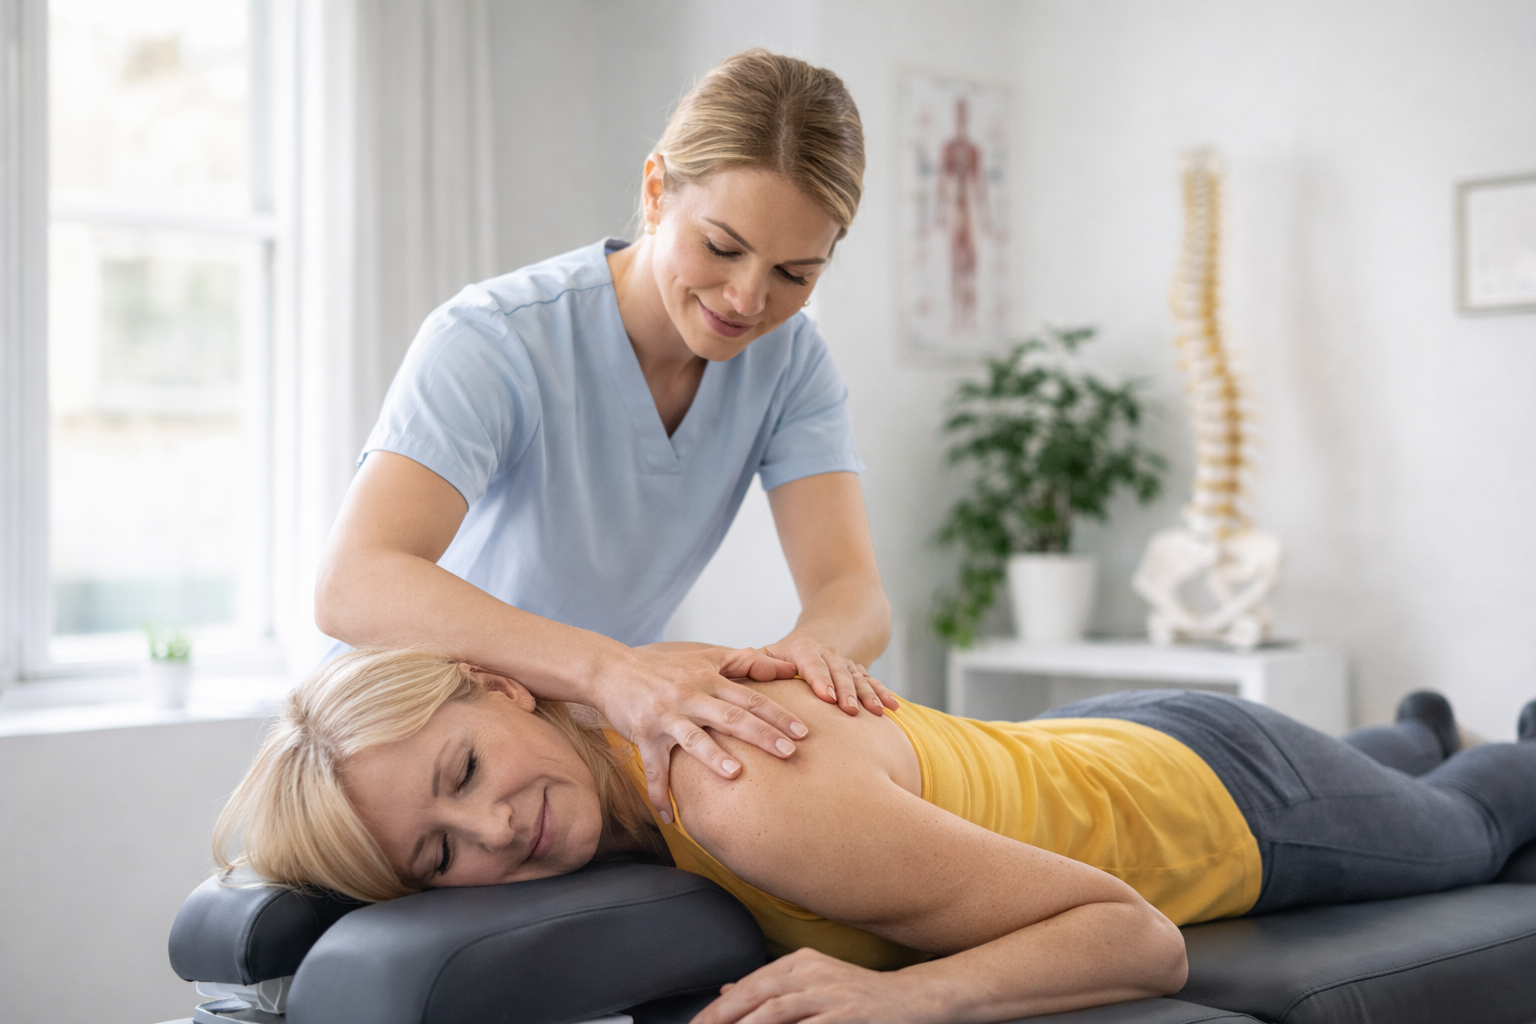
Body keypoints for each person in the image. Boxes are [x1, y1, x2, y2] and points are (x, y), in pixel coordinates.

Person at [216, 648, 1536, 1023]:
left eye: (462, 770)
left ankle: (1479, 749)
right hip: (1092, 744)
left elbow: (1137, 939)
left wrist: (913, 998)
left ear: (505, 687)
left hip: (1221, 796)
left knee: (1472, 825)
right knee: (1397, 769)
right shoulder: (618, 719)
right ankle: (1408, 731)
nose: (495, 830)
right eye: (438, 855)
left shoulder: (736, 790)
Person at [312, 49, 898, 818]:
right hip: (396, 757)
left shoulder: (789, 362)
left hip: (557, 748)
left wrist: (806, 656)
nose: (747, 298)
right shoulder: (495, 339)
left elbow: (853, 592)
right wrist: (607, 671)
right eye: (722, 248)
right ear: (656, 192)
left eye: (795, 274)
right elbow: (353, 583)